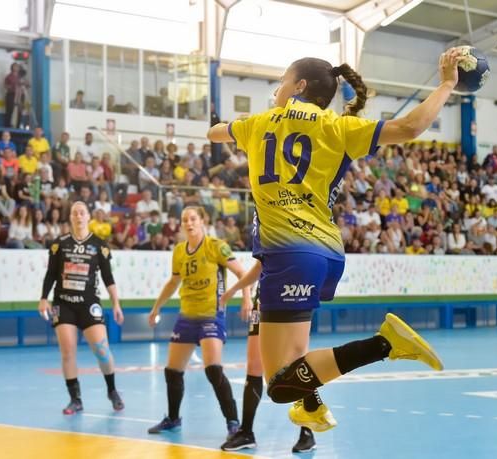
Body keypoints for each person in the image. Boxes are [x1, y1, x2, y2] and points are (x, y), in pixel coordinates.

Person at [207, 50, 456, 432]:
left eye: (282, 83)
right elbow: (410, 127)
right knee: (296, 358)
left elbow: (215, 133)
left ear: (299, 86)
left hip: (289, 254)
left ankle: (385, 344)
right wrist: (447, 84)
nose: (277, 91)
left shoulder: (257, 124)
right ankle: (311, 405)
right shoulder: (339, 126)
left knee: (278, 384)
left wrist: (221, 126)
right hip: (324, 253)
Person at [147, 206, 252, 439]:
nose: (189, 223)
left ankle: (234, 424)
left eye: (193, 219)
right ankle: (173, 419)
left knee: (213, 370)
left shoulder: (216, 246)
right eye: (185, 220)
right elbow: (173, 282)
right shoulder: (178, 251)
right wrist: (156, 307)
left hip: (211, 315)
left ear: (202, 221)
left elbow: (242, 273)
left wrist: (247, 299)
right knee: (172, 371)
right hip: (186, 316)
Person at [39, 201, 125, 415]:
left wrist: (116, 303)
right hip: (63, 303)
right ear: (71, 218)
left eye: (82, 213)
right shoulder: (59, 244)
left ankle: (112, 390)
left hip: (89, 304)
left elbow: (108, 277)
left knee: (102, 350)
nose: (78, 216)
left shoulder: (100, 245)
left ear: (88, 217)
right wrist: (43, 298)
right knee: (68, 351)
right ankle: (75, 399)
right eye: (75, 213)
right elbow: (51, 274)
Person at [220, 267, 315, 453]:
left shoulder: (302, 239)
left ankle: (308, 431)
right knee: (254, 365)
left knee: (298, 364)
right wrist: (236, 290)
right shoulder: (265, 238)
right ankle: (246, 432)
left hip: (293, 293)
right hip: (264, 297)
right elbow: (259, 266)